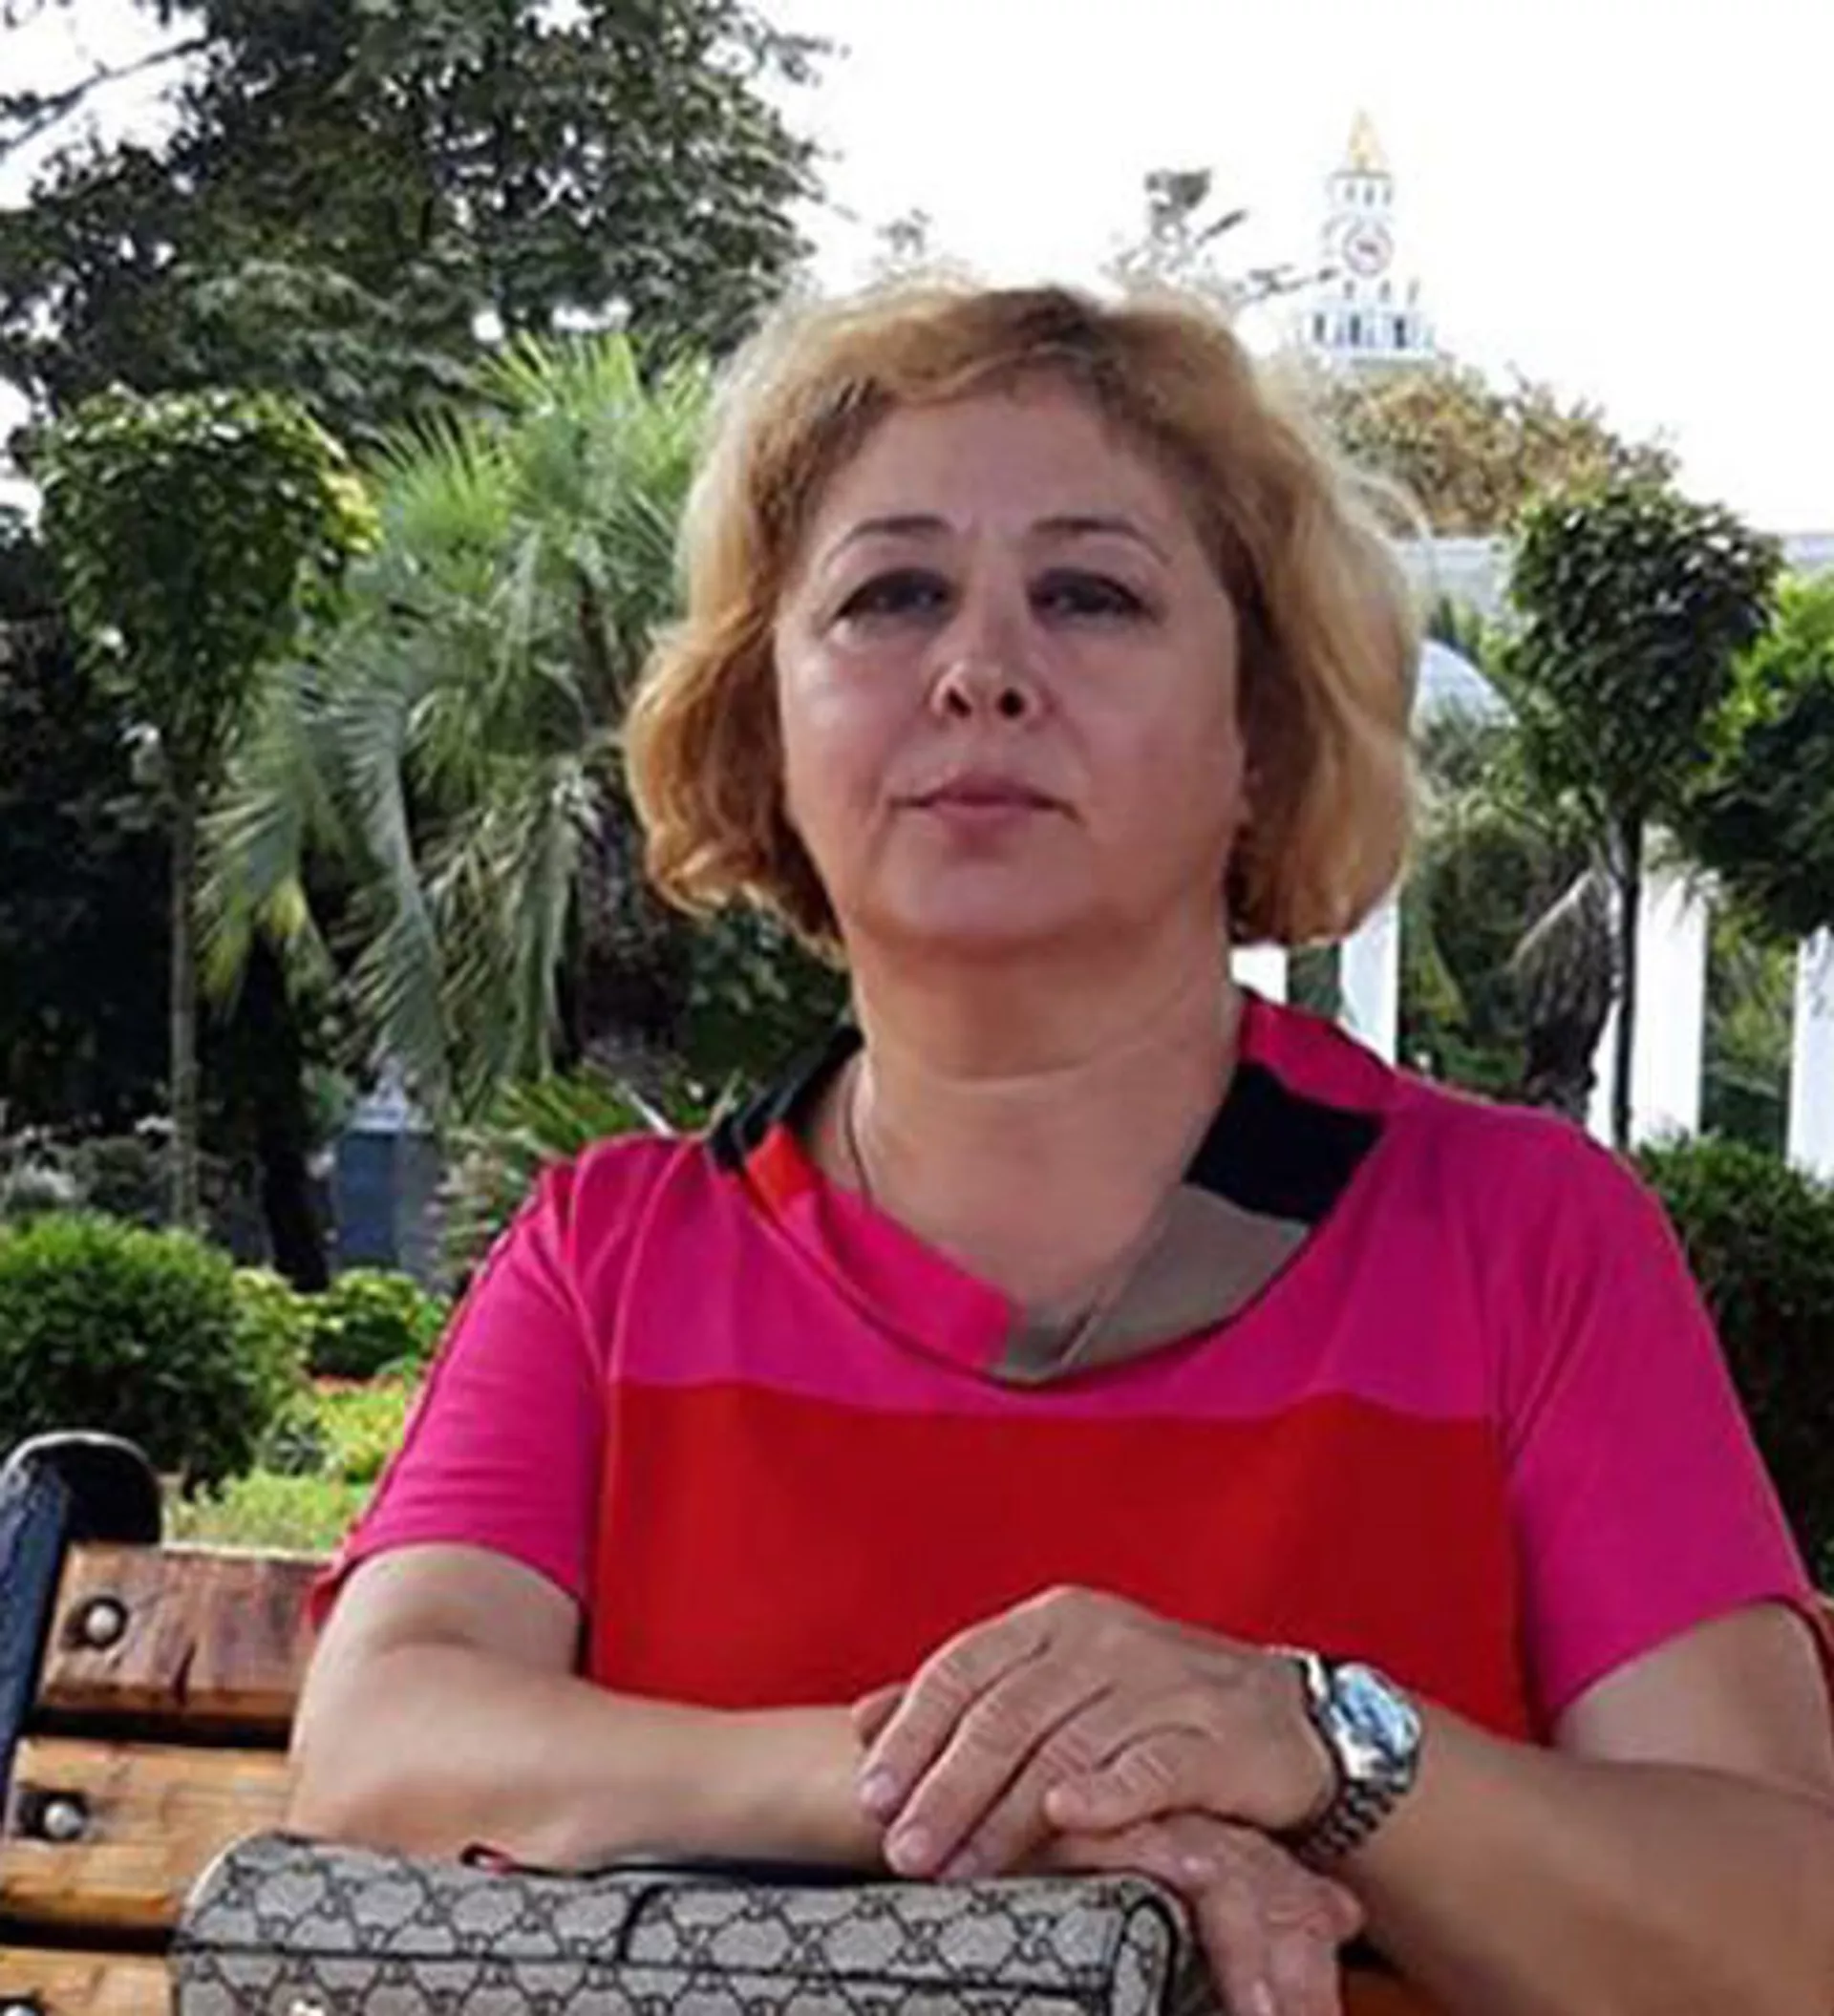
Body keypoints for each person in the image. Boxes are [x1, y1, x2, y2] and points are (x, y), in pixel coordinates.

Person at [288, 282, 1834, 2016]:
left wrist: (1318, 1744)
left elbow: (1782, 1939)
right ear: (766, 729)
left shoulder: (1520, 1238)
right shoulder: (611, 1259)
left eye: (1091, 594)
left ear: (1261, 739)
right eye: (890, 595)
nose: (979, 671)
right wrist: (979, 1789)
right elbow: (376, 1747)